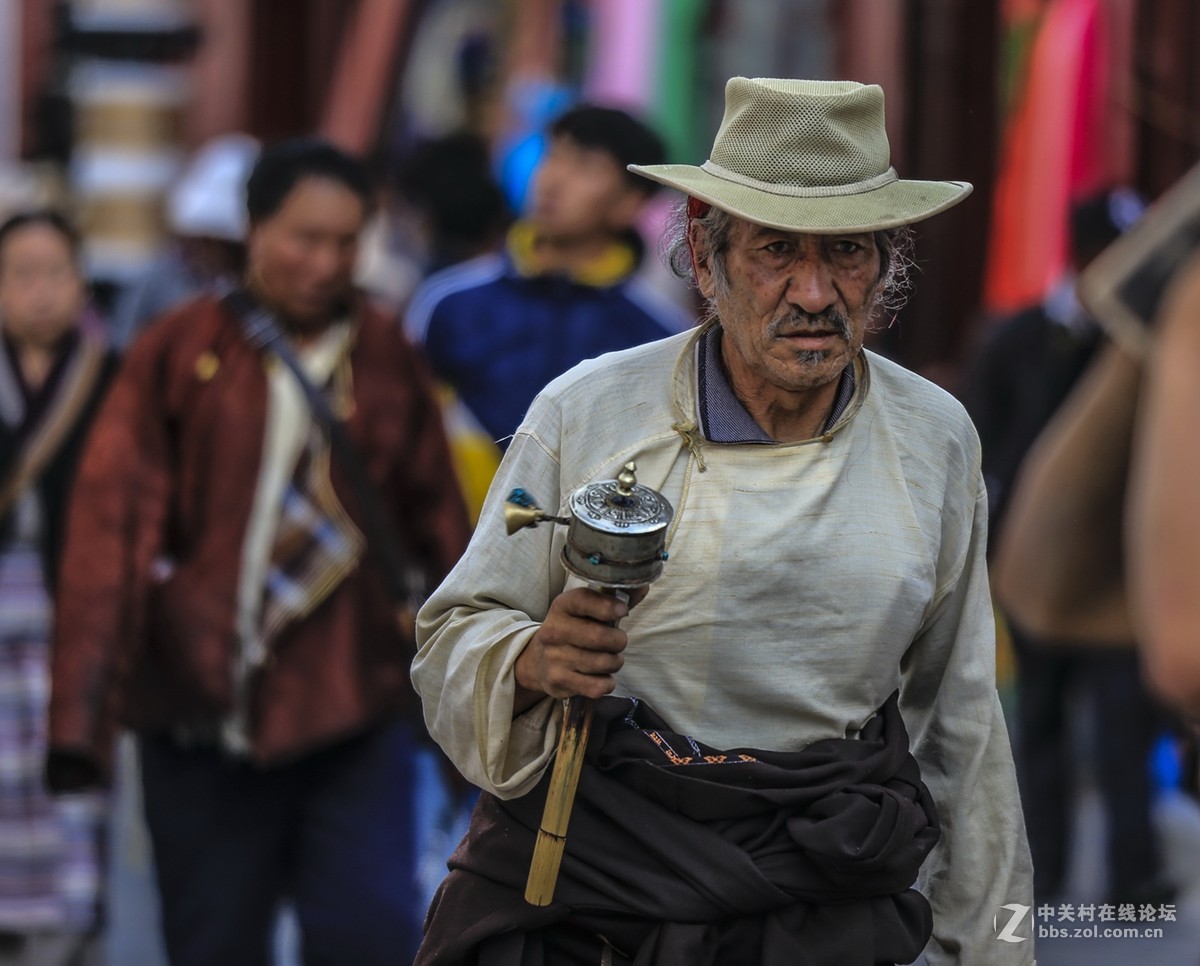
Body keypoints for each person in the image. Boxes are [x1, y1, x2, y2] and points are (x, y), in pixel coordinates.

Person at [412, 77, 1034, 964]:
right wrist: (532, 658)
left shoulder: (934, 436)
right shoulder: (589, 411)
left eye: (848, 253)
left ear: (886, 267)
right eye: (777, 250)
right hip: (600, 890)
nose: (816, 294)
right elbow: (451, 639)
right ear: (705, 258)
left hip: (825, 890)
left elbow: (960, 718)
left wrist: (995, 947)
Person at [46, 138, 472, 965]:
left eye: (346, 241)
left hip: (354, 701)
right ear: (253, 229)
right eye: (304, 238)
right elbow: (109, 535)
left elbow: (445, 533)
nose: (325, 262)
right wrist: (81, 722)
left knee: (369, 934)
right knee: (214, 943)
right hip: (202, 710)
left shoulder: (386, 355)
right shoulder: (175, 352)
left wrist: (475, 701)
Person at [964, 189, 1170, 905]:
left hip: (1119, 577)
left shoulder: (1146, 346)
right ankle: (1042, 874)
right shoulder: (1020, 337)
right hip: (1032, 573)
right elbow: (982, 442)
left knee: (1124, 733)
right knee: (1039, 728)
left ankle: (1134, 879)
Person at [404, 103, 691, 453]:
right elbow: (405, 429)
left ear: (630, 203)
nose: (553, 180)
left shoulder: (658, 333)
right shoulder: (450, 303)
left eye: (585, 166)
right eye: (553, 156)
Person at [0, 210, 118, 965]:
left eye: (55, 273)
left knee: (69, 765)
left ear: (80, 282)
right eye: (20, 274)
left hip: (77, 608)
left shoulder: (115, 374)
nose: (40, 291)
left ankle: (72, 925)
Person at [109, 132, 259, 349]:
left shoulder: (260, 287)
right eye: (207, 239)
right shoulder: (158, 279)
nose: (214, 251)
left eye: (229, 245)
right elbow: (123, 346)